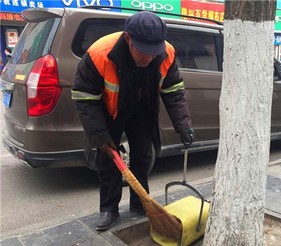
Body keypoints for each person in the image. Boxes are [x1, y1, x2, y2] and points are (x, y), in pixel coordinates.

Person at [71, 11, 195, 231]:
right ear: (128, 39)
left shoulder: (165, 53)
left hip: (143, 108)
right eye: (143, 52)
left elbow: (174, 90)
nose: (148, 58)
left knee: (144, 155)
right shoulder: (100, 54)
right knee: (108, 160)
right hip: (110, 110)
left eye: (153, 52)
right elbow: (85, 98)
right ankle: (108, 208)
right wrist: (98, 134)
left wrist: (183, 124)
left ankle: (140, 203)